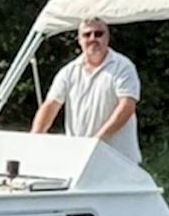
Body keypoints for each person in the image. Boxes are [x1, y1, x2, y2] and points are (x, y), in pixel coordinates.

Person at [29, 17, 141, 163]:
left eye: (98, 34)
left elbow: (126, 106)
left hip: (120, 161)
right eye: (87, 35)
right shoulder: (68, 72)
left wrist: (97, 141)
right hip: (80, 159)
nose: (93, 38)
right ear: (79, 40)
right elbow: (51, 105)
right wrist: (33, 139)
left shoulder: (123, 67)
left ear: (107, 38)